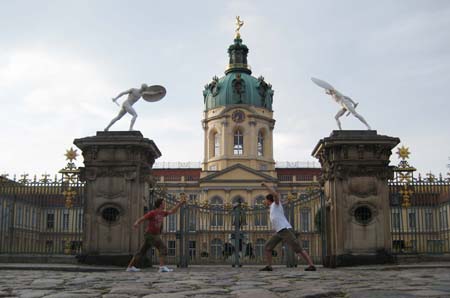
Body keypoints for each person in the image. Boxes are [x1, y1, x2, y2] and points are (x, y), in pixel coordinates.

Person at [260, 182, 316, 271]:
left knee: (298, 248)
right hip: (279, 232)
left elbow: (274, 194)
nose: (264, 202)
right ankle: (269, 266)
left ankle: (311, 265)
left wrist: (266, 186)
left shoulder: (276, 204)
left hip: (285, 230)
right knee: (267, 247)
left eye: (265, 200)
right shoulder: (272, 208)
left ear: (269, 200)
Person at [126, 197, 186, 273]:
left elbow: (172, 211)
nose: (165, 204)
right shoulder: (153, 213)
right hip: (150, 234)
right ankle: (161, 267)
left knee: (141, 252)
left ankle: (130, 267)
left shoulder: (162, 213)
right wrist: (137, 223)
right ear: (160, 204)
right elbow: (143, 218)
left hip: (153, 235)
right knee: (162, 247)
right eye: (164, 203)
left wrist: (180, 204)